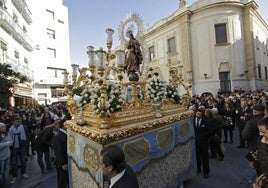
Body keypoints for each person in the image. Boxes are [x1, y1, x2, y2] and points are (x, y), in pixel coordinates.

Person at [8, 115, 29, 184]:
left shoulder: (23, 127)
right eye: (16, 121)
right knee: (14, 163)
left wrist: (25, 145)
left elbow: (26, 136)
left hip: (21, 147)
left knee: (23, 161)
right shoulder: (10, 129)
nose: (18, 123)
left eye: (19, 121)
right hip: (13, 148)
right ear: (13, 122)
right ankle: (14, 176)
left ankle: (23, 173)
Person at [52, 118, 69, 188]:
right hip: (62, 164)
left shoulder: (65, 134)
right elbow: (58, 151)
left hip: (66, 161)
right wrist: (63, 164)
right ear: (64, 125)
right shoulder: (58, 136)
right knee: (62, 181)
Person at [193, 108, 210, 178]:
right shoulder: (193, 121)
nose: (198, 115)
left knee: (205, 157)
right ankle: (198, 168)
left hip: (204, 142)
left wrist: (205, 137)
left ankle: (206, 171)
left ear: (202, 115)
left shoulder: (205, 121)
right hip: (195, 142)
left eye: (200, 114)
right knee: (197, 156)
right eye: (197, 114)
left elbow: (209, 131)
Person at [0, 123, 12, 188]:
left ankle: (4, 183)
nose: (4, 128)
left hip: (7, 155)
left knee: (6, 170)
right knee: (1, 171)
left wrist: (4, 144)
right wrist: (6, 143)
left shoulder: (7, 134)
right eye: (3, 127)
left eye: (4, 127)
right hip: (1, 157)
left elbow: (11, 142)